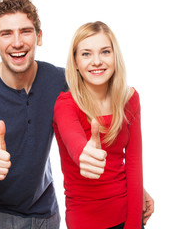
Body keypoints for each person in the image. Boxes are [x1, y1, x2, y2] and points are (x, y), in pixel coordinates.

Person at [0, 0, 154, 229]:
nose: (17, 42)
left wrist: (135, 189)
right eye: (6, 33)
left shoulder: (60, 79)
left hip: (47, 214)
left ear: (39, 36)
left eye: (25, 31)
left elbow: (95, 92)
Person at [52, 21, 144, 229]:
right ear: (75, 61)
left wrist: (134, 225)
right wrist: (84, 153)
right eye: (86, 54)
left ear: (114, 56)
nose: (96, 61)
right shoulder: (65, 104)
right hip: (84, 220)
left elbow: (134, 164)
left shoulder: (130, 98)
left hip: (126, 214)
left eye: (104, 52)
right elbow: (72, 139)